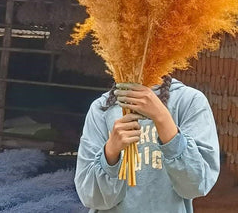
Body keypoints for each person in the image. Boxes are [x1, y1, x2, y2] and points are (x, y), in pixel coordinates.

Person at [74, 75, 220, 212]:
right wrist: (111, 151)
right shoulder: (102, 108)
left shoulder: (189, 101)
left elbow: (196, 185)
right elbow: (90, 197)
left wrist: (163, 119)